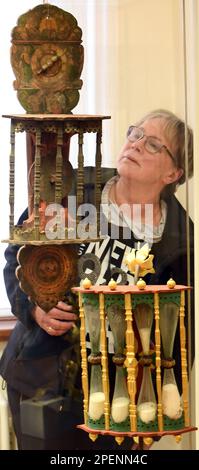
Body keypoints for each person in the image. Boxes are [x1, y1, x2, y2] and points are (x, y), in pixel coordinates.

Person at [0, 109, 194, 450]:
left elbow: (179, 330)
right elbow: (16, 258)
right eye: (134, 134)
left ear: (173, 172)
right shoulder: (72, 187)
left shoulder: (179, 235)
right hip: (42, 379)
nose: (134, 144)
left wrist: (161, 413)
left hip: (119, 398)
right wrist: (34, 309)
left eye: (152, 145)